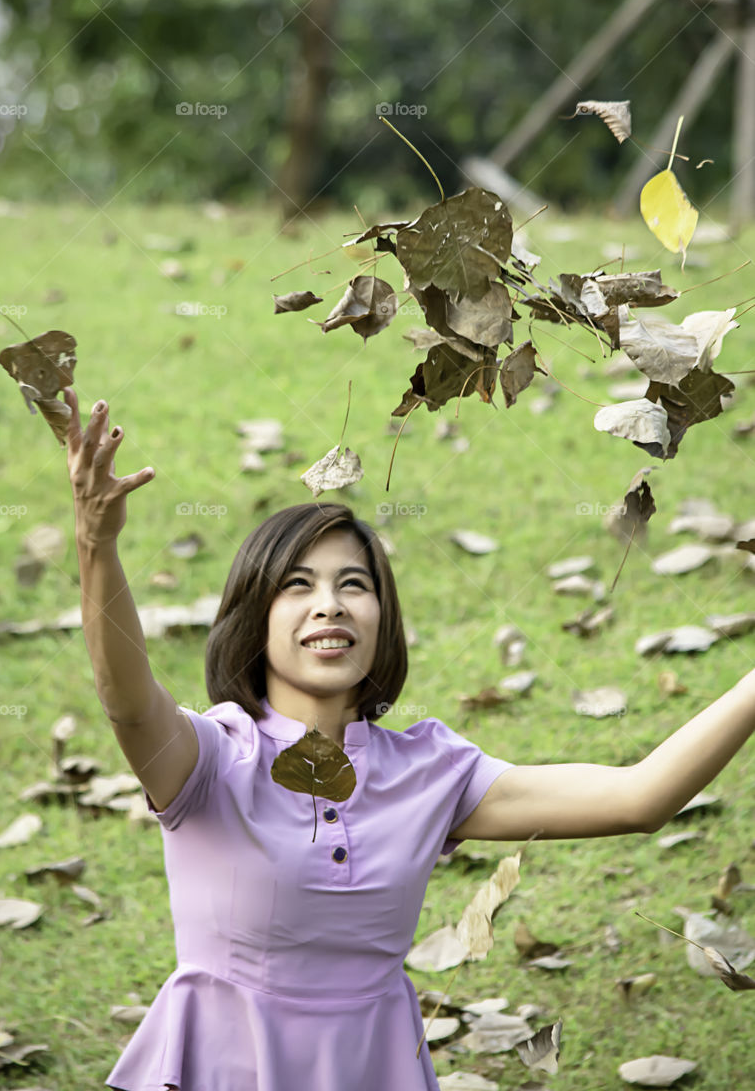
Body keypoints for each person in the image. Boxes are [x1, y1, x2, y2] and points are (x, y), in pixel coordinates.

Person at [64, 389, 755, 1091]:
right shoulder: (213, 758)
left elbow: (638, 798)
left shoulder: (430, 771)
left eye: (352, 584)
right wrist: (97, 542)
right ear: (255, 619)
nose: (328, 602)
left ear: (381, 619)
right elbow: (126, 700)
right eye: (297, 585)